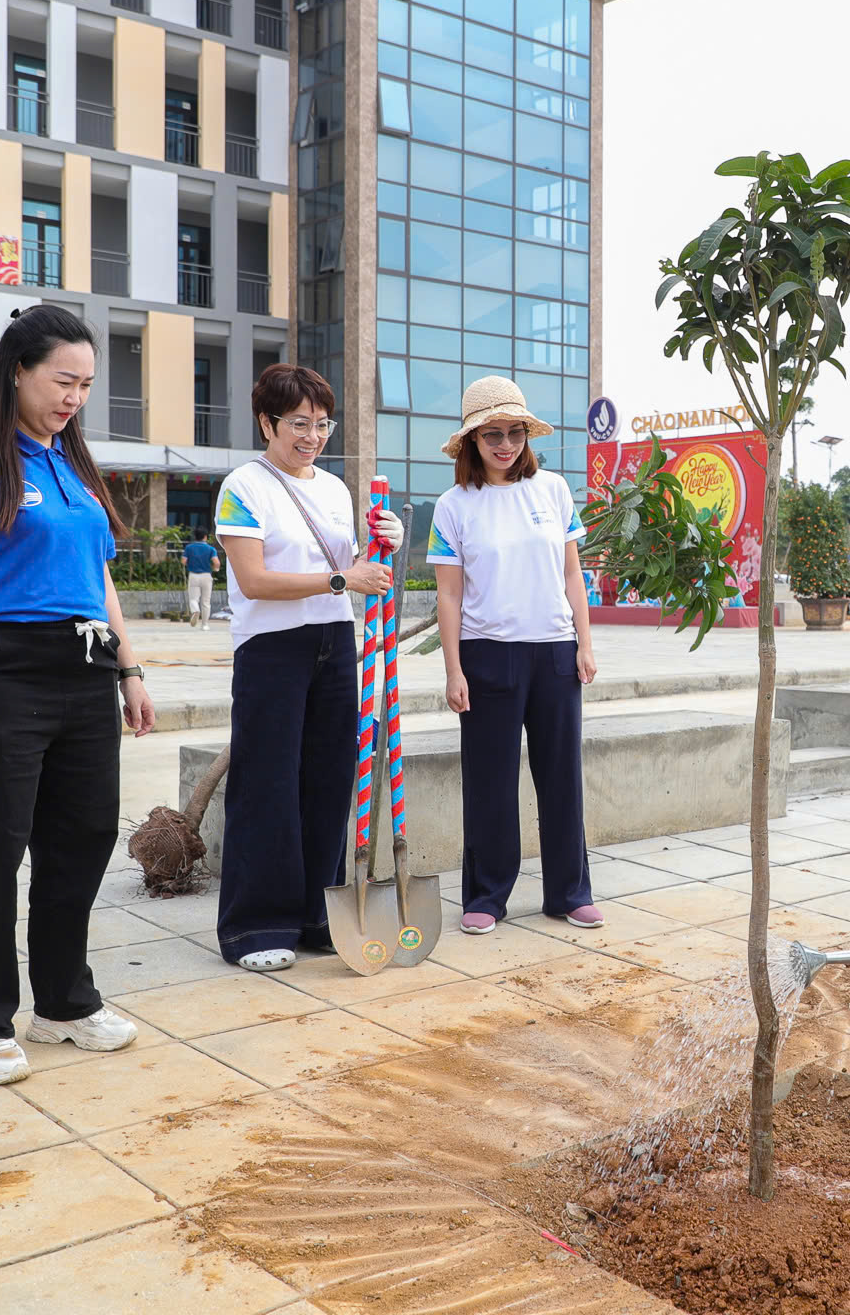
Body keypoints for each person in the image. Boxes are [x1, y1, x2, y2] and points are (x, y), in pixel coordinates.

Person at [0, 304, 156, 1086]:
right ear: (17, 368)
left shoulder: (75, 468)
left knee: (82, 838)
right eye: (62, 380)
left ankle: (63, 1002)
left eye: (85, 385)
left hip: (84, 671)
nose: (73, 397)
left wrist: (129, 668)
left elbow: (101, 580)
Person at [213, 364, 398, 971]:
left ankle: (317, 915)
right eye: (299, 423)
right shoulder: (244, 485)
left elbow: (350, 563)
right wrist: (345, 577)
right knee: (267, 784)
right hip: (271, 648)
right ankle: (254, 926)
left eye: (322, 424)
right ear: (267, 421)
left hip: (333, 642)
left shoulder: (335, 489)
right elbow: (255, 579)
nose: (313, 436)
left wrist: (385, 543)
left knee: (327, 780)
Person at [429, 375, 600, 935]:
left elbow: (573, 575)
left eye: (515, 432)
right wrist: (453, 669)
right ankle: (485, 896)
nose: (505, 444)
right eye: (492, 434)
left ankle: (569, 892)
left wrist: (585, 643)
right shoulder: (454, 506)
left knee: (561, 778)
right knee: (490, 783)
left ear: (528, 435)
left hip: (554, 653)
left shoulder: (553, 490)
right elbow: (449, 595)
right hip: (486, 657)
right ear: (472, 442)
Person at [182, 528, 220, 628]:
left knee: (193, 599)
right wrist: (215, 569)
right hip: (207, 576)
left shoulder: (189, 548)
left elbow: (183, 561)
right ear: (205, 537)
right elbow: (216, 563)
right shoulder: (211, 549)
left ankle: (195, 610)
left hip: (194, 575)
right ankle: (205, 625)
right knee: (206, 602)